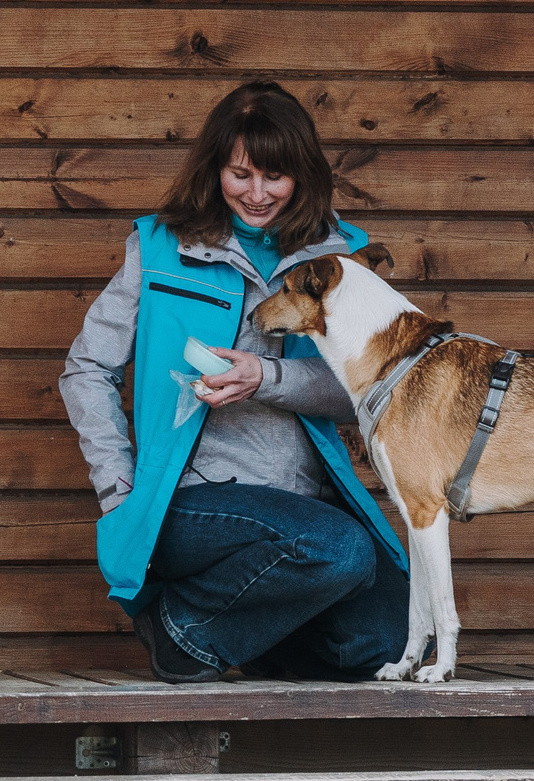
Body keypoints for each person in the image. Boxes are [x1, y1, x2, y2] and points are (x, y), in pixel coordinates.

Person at [60, 80, 410, 683]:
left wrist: (267, 377)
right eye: (240, 173)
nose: (256, 194)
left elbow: (370, 389)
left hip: (305, 502)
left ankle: (228, 640)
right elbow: (86, 370)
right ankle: (182, 635)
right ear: (216, 168)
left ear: (302, 174)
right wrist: (119, 489)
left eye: (274, 176)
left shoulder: (340, 258)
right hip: (190, 498)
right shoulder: (159, 249)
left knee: (390, 640)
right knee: (340, 551)